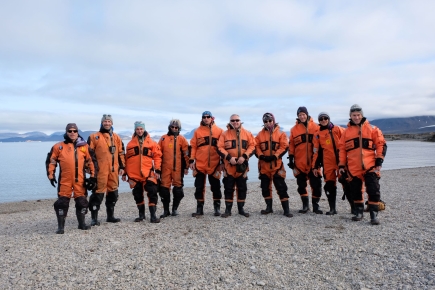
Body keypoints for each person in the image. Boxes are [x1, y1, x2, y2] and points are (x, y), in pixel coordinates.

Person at [338, 104, 387, 225]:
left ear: (362, 115)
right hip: (353, 167)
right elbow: (342, 149)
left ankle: (374, 214)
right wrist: (341, 165)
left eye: (358, 115)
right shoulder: (346, 132)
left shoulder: (372, 128)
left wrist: (379, 160)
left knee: (373, 190)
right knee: (356, 190)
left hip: (370, 166)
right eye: (354, 115)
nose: (356, 117)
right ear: (350, 116)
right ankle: (358, 212)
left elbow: (381, 144)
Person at [46, 123, 97, 234]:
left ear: (77, 132)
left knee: (82, 202)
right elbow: (51, 161)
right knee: (62, 202)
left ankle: (82, 224)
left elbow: (91, 161)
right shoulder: (58, 147)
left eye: (74, 131)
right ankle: (60, 227)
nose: (72, 133)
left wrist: (93, 177)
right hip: (65, 179)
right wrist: (51, 175)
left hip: (80, 180)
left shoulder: (84, 147)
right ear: (66, 132)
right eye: (70, 131)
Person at [87, 114, 126, 225]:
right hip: (100, 171)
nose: (107, 123)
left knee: (113, 193)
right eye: (105, 122)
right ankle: (94, 218)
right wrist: (89, 168)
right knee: (97, 194)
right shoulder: (94, 137)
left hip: (113, 171)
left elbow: (121, 153)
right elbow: (88, 155)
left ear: (112, 123)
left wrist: (123, 167)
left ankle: (110, 216)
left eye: (109, 121)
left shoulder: (117, 137)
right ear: (102, 123)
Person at [122, 121, 162, 223]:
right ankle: (141, 215)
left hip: (148, 173)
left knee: (152, 192)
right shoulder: (130, 144)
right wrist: (125, 173)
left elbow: (157, 156)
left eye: (141, 129)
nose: (139, 131)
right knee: (137, 194)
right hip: (134, 174)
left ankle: (153, 216)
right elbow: (127, 159)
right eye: (137, 129)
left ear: (144, 129)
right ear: (135, 130)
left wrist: (157, 170)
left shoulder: (151, 142)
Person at [218, 114, 256, 218]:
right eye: (233, 120)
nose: (235, 122)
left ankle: (241, 209)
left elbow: (253, 146)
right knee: (228, 188)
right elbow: (219, 148)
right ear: (230, 121)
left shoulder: (247, 134)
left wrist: (244, 156)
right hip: (229, 166)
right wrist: (229, 158)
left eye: (237, 120)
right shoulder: (224, 134)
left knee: (242, 188)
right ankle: (228, 210)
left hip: (242, 166)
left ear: (240, 121)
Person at [312, 112, 350, 215]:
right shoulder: (317, 134)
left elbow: (348, 142)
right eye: (321, 119)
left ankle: (354, 207)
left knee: (346, 182)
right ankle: (332, 209)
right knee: (329, 185)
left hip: (340, 161)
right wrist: (315, 166)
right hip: (327, 162)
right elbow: (316, 151)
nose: (323, 120)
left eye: (325, 118)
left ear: (328, 119)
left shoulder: (338, 129)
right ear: (319, 121)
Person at [255, 113, 292, 217]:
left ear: (273, 121)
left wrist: (275, 156)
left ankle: (286, 210)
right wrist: (261, 156)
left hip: (277, 165)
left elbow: (284, 146)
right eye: (265, 121)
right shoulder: (259, 135)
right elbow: (256, 146)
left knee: (281, 187)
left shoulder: (281, 133)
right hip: (264, 166)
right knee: (265, 187)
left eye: (270, 121)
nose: (268, 123)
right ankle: (269, 208)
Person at [288, 106, 323, 214]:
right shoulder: (294, 129)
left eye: (303, 114)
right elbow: (292, 145)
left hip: (314, 163)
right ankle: (305, 205)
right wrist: (291, 158)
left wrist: (320, 160)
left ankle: (316, 206)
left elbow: (321, 144)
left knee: (316, 185)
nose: (302, 117)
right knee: (301, 185)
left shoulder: (316, 127)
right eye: (299, 115)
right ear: (297, 117)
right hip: (299, 162)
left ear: (307, 114)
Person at [189, 111, 224, 217]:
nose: (206, 118)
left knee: (216, 187)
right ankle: (199, 209)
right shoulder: (197, 131)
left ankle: (217, 208)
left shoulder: (219, 131)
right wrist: (191, 160)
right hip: (200, 164)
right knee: (199, 187)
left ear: (212, 118)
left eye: (208, 117)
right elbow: (193, 146)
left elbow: (222, 148)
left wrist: (222, 162)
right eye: (204, 117)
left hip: (214, 164)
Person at [158, 119, 190, 218]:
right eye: (172, 127)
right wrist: (157, 169)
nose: (174, 129)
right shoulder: (163, 139)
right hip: (165, 169)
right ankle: (166, 210)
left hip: (178, 169)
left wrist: (187, 167)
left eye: (176, 127)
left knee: (178, 191)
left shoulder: (182, 139)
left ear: (179, 128)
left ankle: (175, 209)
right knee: (163, 190)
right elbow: (158, 154)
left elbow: (186, 154)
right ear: (169, 127)